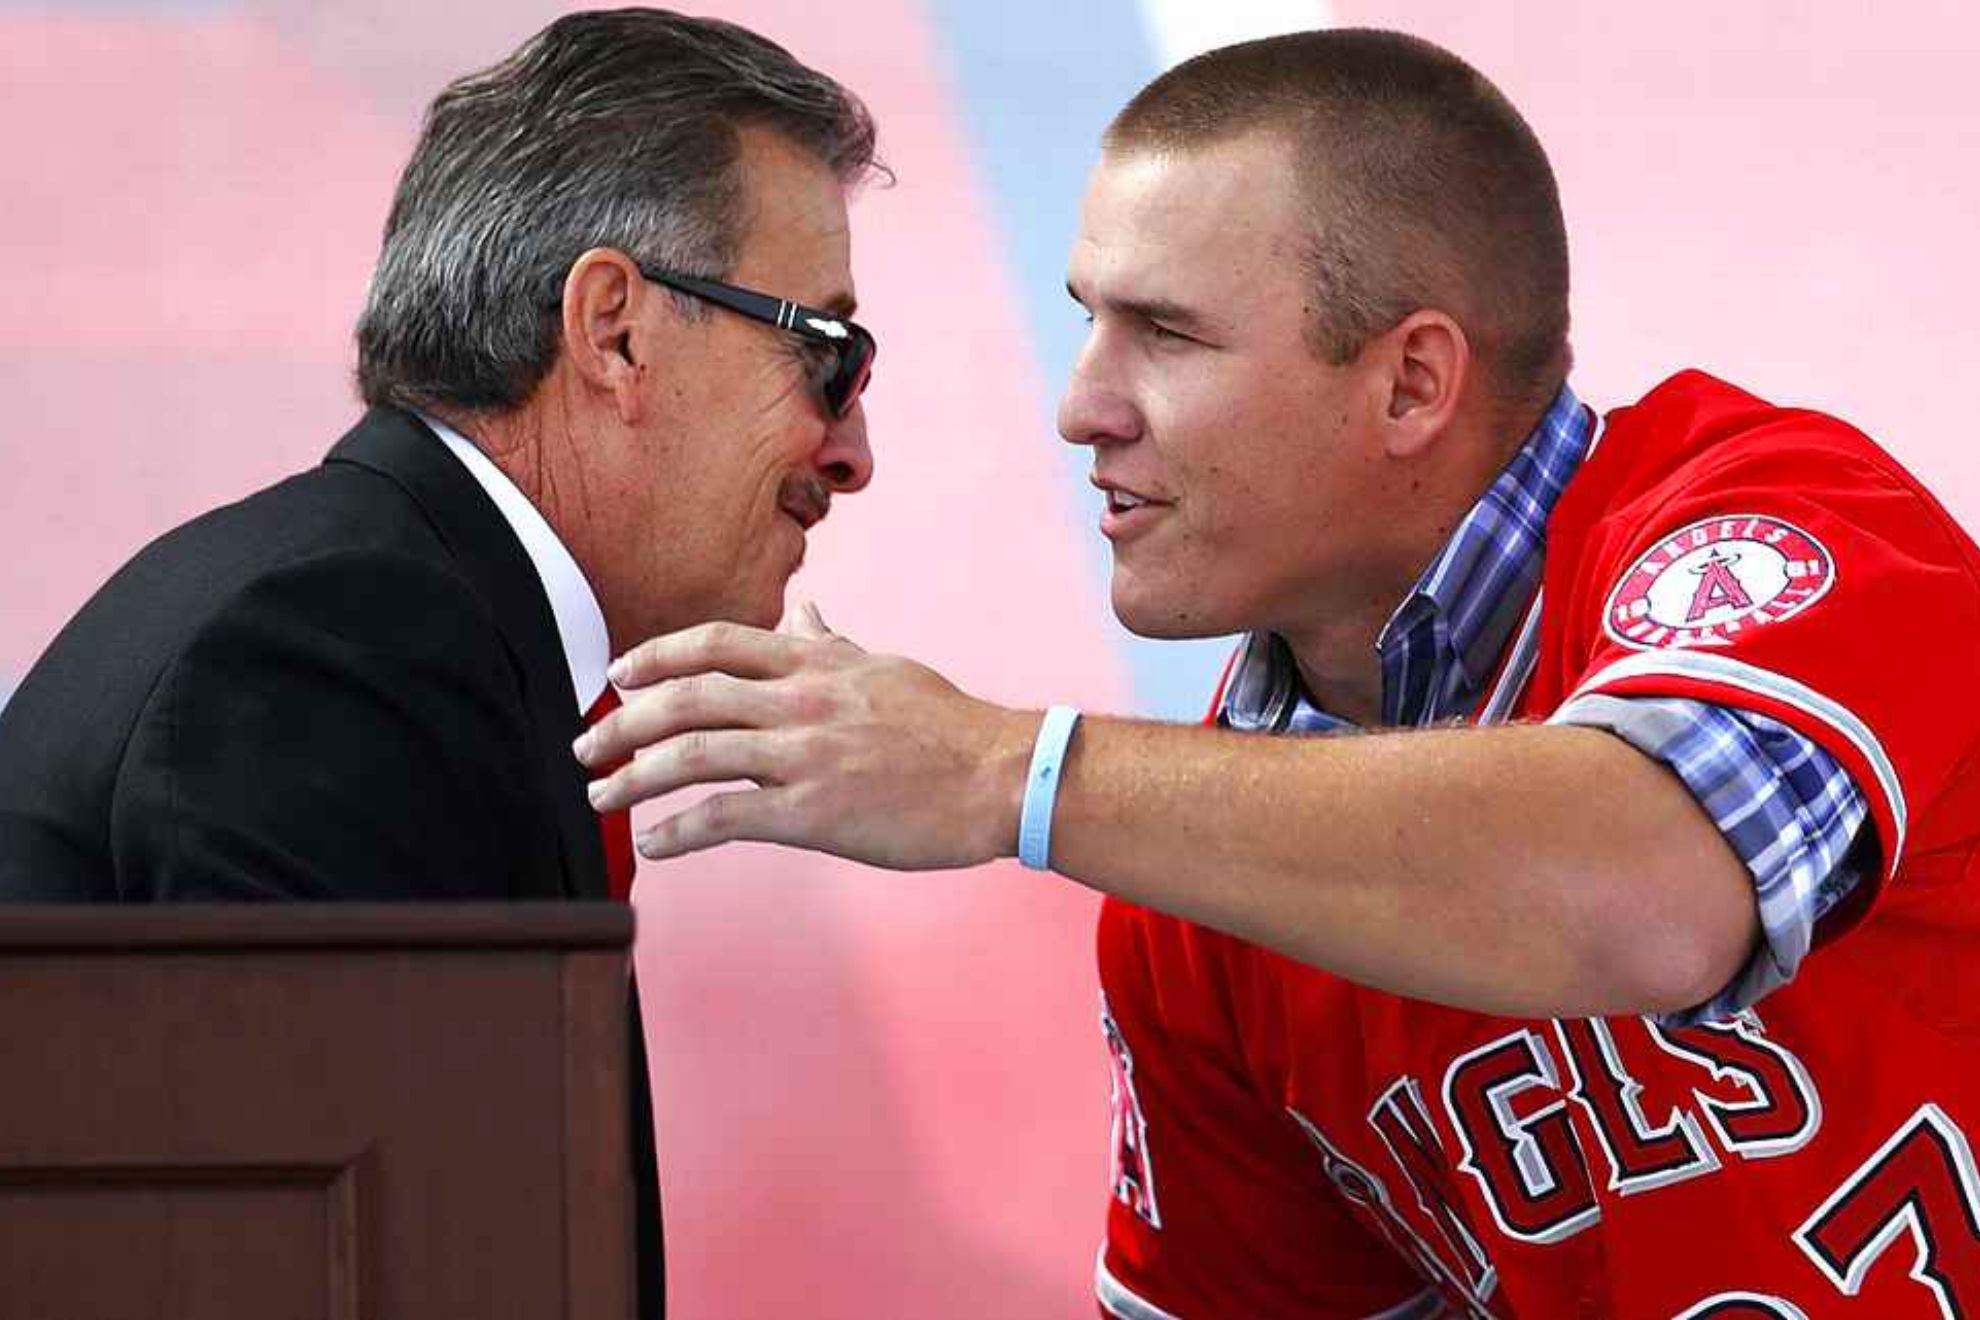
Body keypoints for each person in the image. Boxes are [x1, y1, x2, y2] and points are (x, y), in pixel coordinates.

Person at [577, 28, 1980, 1320]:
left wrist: (1000, 767)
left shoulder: (1774, 519)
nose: (1082, 406)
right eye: (1085, 320)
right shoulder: (1187, 905)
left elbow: (1655, 896)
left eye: (1166, 334)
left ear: (1413, 384)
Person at [0, 10, 880, 1319]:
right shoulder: (333, 653)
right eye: (829, 356)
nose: (855, 450)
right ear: (615, 330)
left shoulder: (395, 612)